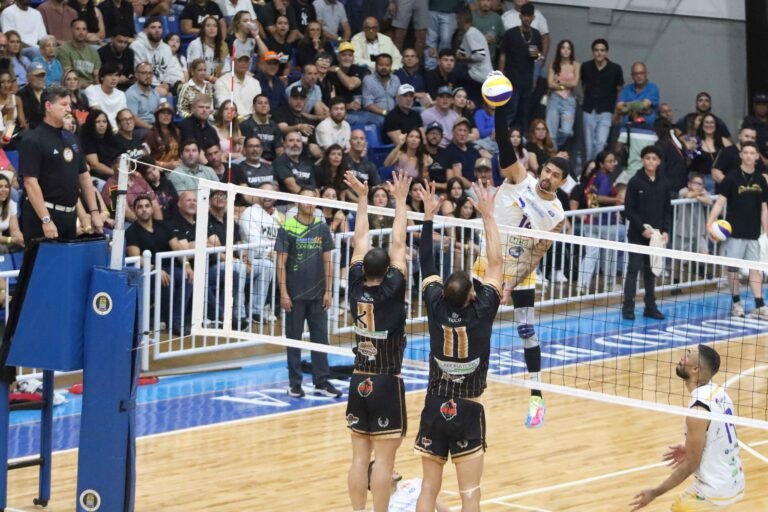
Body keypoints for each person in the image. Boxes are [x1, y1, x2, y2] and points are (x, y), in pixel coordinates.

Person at [472, 78, 566, 427]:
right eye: (547, 170)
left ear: (560, 182)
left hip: (521, 272)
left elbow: (538, 254)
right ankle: (470, 381)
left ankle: (536, 396)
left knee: (527, 331)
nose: (548, 177)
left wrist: (513, 281)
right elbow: (502, 145)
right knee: (475, 325)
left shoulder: (557, 216)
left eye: (555, 176)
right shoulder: (519, 179)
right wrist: (499, 112)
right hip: (486, 265)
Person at [413, 177, 502, 512]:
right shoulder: (481, 312)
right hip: (467, 407)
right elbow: (496, 264)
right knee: (470, 494)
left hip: (435, 403)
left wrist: (427, 217)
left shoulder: (435, 303)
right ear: (471, 297)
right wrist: (488, 215)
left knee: (429, 489)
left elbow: (426, 261)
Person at [344, 169, 410, 512]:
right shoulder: (393, 288)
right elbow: (398, 243)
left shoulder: (355, 285)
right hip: (386, 380)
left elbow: (360, 241)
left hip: (358, 378)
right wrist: (400, 201)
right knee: (384, 461)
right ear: (387, 272)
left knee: (359, 459)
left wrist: (362, 198)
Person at [630, 345, 745, 511]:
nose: (683, 356)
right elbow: (720, 435)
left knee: (679, 507)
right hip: (735, 481)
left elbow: (690, 465)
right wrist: (691, 446)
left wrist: (655, 492)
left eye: (688, 355)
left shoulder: (698, 411)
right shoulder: (719, 393)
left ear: (696, 369)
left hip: (714, 490)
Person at [275, 187, 343, 398]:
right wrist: (284, 293)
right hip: (294, 295)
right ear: (297, 202)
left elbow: (327, 260)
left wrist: (329, 291)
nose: (309, 203)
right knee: (293, 339)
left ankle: (321, 382)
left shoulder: (322, 228)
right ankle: (295, 383)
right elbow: (280, 263)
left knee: (320, 339)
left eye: (313, 200)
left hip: (318, 294)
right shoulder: (287, 228)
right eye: (305, 200)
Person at [19, 85, 104, 240]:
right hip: (43, 215)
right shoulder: (33, 139)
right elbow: (30, 182)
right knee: (41, 263)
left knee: (66, 263)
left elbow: (84, 176)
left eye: (69, 105)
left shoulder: (71, 138)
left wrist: (94, 212)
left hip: (69, 215)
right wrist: (46, 219)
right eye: (63, 104)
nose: (69, 109)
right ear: (48, 106)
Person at [706, 141, 768, 319]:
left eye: (752, 153)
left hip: (753, 233)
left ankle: (759, 305)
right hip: (733, 233)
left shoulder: (761, 180)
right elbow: (719, 203)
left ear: (757, 156)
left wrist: (766, 232)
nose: (749, 155)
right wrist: (710, 223)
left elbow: (764, 207)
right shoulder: (731, 178)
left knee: (755, 269)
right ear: (741, 155)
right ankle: (736, 304)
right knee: (732, 269)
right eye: (746, 152)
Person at [621, 145, 670, 321]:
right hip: (637, 235)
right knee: (633, 270)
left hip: (656, 237)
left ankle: (650, 306)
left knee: (651, 272)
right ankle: (628, 308)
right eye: (647, 158)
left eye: (654, 159)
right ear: (643, 160)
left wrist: (665, 230)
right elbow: (629, 209)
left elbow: (667, 209)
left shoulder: (664, 182)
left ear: (659, 162)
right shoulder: (635, 182)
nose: (650, 161)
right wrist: (642, 228)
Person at [238, 181, 283, 323]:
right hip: (252, 258)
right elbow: (255, 244)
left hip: (274, 257)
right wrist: (275, 253)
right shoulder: (250, 212)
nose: (267, 197)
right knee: (270, 265)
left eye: (270, 193)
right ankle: (258, 310)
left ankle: (285, 307)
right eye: (263, 193)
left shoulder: (279, 217)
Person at [497, 3, 542, 130]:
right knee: (511, 110)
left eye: (529, 16)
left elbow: (537, 59)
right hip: (512, 78)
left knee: (524, 112)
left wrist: (534, 78)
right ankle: (502, 134)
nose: (527, 18)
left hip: (527, 80)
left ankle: (520, 138)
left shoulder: (536, 35)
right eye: (524, 15)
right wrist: (500, 74)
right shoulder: (511, 33)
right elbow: (503, 54)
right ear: (520, 17)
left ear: (533, 17)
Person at [580, 38, 624, 161]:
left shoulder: (615, 69)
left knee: (600, 142)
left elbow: (619, 89)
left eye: (602, 50)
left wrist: (617, 110)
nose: (599, 53)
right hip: (589, 109)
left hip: (606, 110)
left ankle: (594, 168)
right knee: (589, 144)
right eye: (596, 50)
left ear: (606, 52)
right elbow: (582, 84)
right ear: (593, 52)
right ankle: (590, 169)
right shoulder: (586, 66)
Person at [545, 40, 579, 150]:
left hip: (569, 100)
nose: (565, 50)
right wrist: (565, 85)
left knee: (567, 131)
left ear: (571, 51)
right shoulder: (553, 64)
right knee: (551, 133)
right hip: (554, 99)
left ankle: (556, 146)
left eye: (568, 48)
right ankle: (553, 155)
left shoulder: (576, 65)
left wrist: (559, 84)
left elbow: (574, 83)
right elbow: (550, 84)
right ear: (559, 50)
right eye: (563, 47)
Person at [57, 19, 101, 88]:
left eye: (84, 29)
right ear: (71, 30)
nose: (81, 32)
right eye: (77, 29)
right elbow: (69, 76)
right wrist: (90, 87)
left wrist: (99, 90)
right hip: (74, 88)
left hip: (92, 88)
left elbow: (96, 75)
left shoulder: (93, 51)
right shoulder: (63, 50)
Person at [616, 62, 660, 128]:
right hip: (627, 130)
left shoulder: (653, 88)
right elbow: (619, 108)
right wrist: (644, 109)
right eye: (636, 74)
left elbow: (643, 106)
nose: (638, 76)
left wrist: (627, 107)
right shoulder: (626, 90)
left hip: (648, 131)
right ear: (632, 75)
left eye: (641, 73)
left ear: (646, 74)